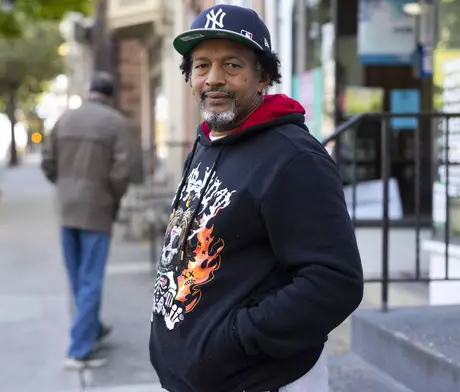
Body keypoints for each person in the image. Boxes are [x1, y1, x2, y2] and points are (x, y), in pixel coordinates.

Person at [149, 5, 364, 392]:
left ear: (262, 75)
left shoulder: (294, 159)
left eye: (232, 66)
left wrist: (234, 338)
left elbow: (334, 282)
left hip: (263, 380)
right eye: (201, 66)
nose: (213, 79)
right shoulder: (206, 142)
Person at [41, 72, 132, 370]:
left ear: (89, 90)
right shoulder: (115, 123)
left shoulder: (65, 119)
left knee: (77, 276)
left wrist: (64, 184)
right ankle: (79, 349)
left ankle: (91, 327)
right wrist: (112, 197)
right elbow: (121, 172)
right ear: (111, 93)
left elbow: (47, 161)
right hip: (97, 207)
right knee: (91, 278)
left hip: (67, 206)